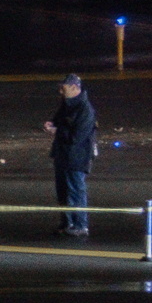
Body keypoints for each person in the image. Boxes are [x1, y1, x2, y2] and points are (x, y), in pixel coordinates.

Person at [45, 74, 98, 237]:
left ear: (75, 88)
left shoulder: (85, 109)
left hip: (77, 156)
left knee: (75, 190)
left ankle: (81, 225)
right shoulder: (67, 104)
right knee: (62, 190)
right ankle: (67, 223)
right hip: (62, 154)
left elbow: (77, 137)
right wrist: (52, 123)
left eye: (64, 87)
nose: (61, 91)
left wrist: (57, 130)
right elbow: (59, 119)